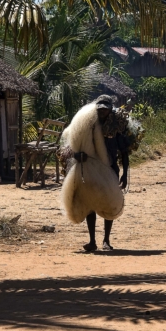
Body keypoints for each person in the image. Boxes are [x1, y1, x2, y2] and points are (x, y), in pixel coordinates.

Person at [59, 95, 139, 252]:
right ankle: (92, 241)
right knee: (90, 204)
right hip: (90, 170)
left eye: (105, 110)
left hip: (110, 169)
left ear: (110, 110)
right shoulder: (86, 124)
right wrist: (77, 156)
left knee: (109, 202)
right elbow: (69, 150)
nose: (102, 112)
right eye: (100, 110)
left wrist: (125, 174)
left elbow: (124, 152)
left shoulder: (116, 127)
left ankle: (106, 240)